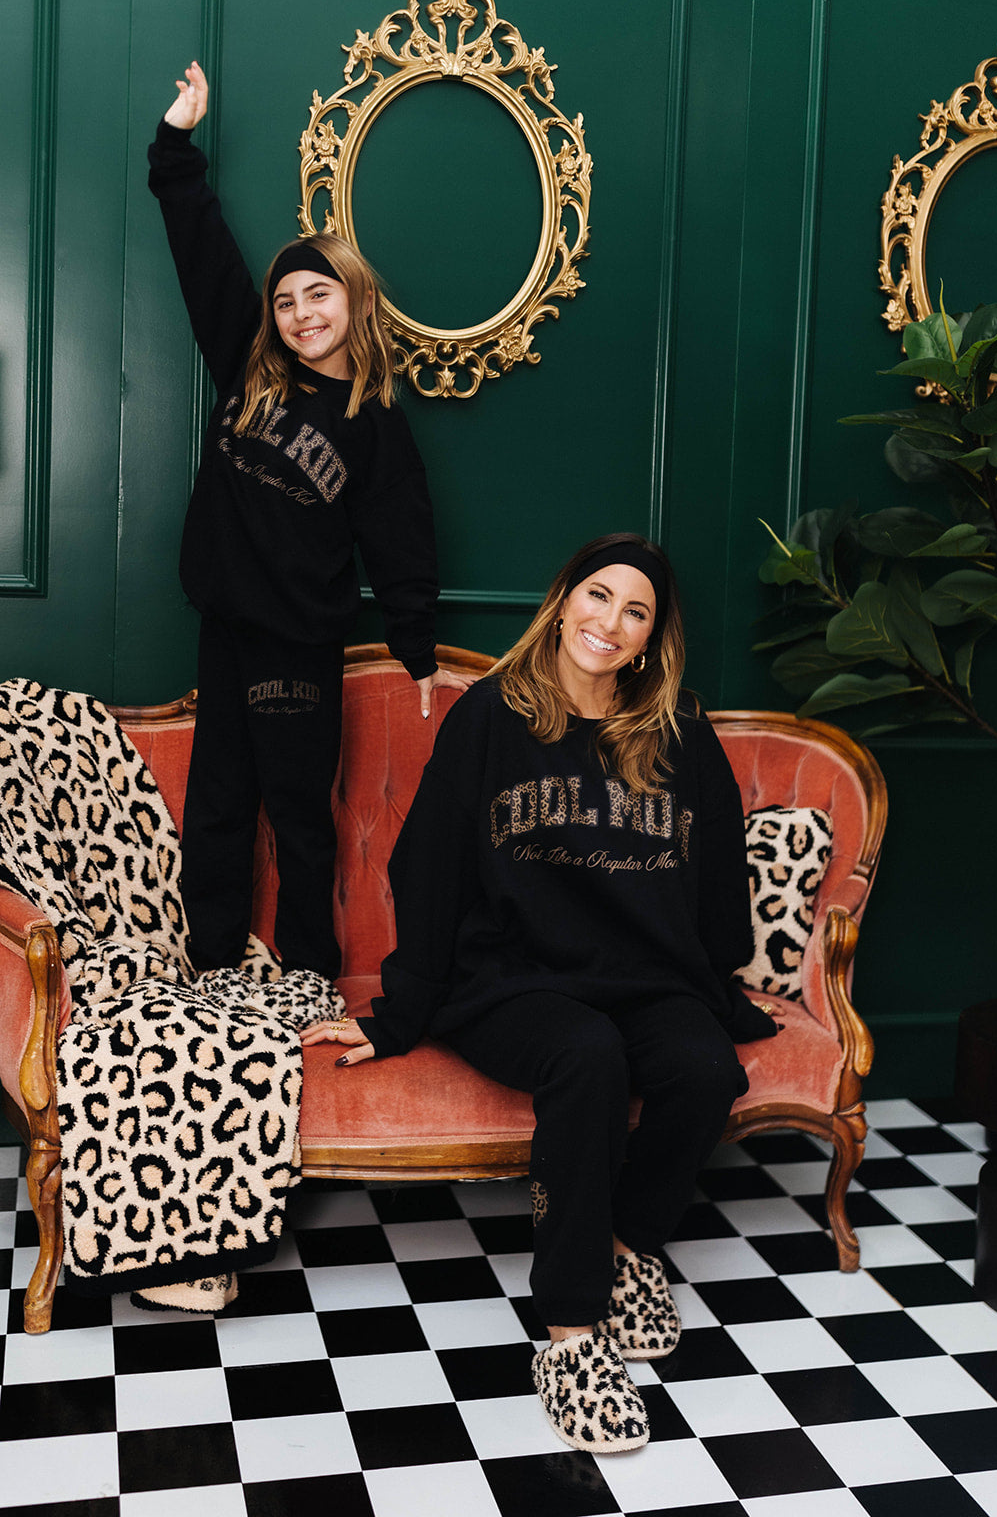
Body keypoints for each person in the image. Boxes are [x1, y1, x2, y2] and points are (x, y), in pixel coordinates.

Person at [302, 533, 782, 1451]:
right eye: (597, 596)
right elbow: (429, 865)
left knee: (702, 1069)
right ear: (563, 603)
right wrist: (402, 1010)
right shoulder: (490, 716)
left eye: (633, 610)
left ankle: (622, 1244)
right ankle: (570, 1333)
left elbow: (720, 873)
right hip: (508, 979)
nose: (609, 621)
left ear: (649, 638)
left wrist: (710, 981)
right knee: (585, 1055)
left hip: (640, 976)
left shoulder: (676, 727)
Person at [149, 61, 473, 983]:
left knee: (296, 811)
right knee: (217, 805)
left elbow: (403, 537)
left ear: (353, 300)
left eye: (316, 295)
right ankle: (211, 970)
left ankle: (304, 979)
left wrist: (417, 646)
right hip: (226, 627)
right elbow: (200, 248)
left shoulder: (376, 425)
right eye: (286, 300)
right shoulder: (248, 367)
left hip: (299, 643)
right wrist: (176, 145)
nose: (298, 313)